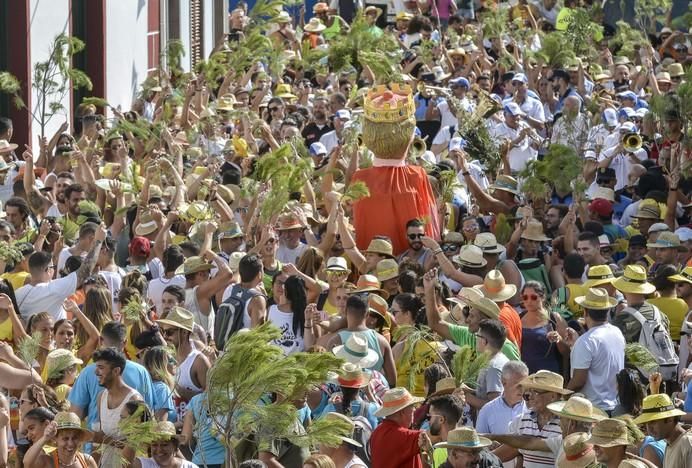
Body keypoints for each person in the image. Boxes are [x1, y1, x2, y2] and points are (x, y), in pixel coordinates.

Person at [69, 322, 154, 433]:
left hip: (126, 446)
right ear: (125, 342)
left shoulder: (86, 372)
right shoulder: (141, 371)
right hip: (98, 446)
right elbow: (151, 410)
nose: (96, 372)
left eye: (101, 368)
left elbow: (75, 415)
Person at [16, 224, 106, 321]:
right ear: (48, 270)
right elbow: (85, 271)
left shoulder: (17, 293)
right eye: (52, 267)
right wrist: (98, 241)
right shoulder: (54, 289)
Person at [568, 288, 625, 412]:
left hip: (593, 410)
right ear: (607, 310)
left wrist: (563, 395)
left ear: (585, 312)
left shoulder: (586, 341)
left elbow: (579, 381)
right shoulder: (617, 332)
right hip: (615, 407)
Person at [370, 387, 429, 468]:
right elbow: (429, 436)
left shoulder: (376, 432)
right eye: (412, 406)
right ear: (402, 412)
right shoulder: (401, 435)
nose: (414, 410)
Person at [633, 393, 692, 468]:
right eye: (646, 423)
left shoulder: (687, 444)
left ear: (670, 419)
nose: (649, 429)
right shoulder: (669, 443)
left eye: (653, 422)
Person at [23, 411, 98, 468]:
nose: (70, 443)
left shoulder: (87, 460)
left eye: (75, 438)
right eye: (65, 439)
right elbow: (26, 463)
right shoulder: (48, 461)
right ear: (56, 438)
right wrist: (45, 438)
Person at [475, 361, 528, 435]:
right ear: (504, 382)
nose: (522, 389)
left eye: (524, 385)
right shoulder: (487, 410)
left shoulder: (532, 410)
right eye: (518, 385)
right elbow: (480, 441)